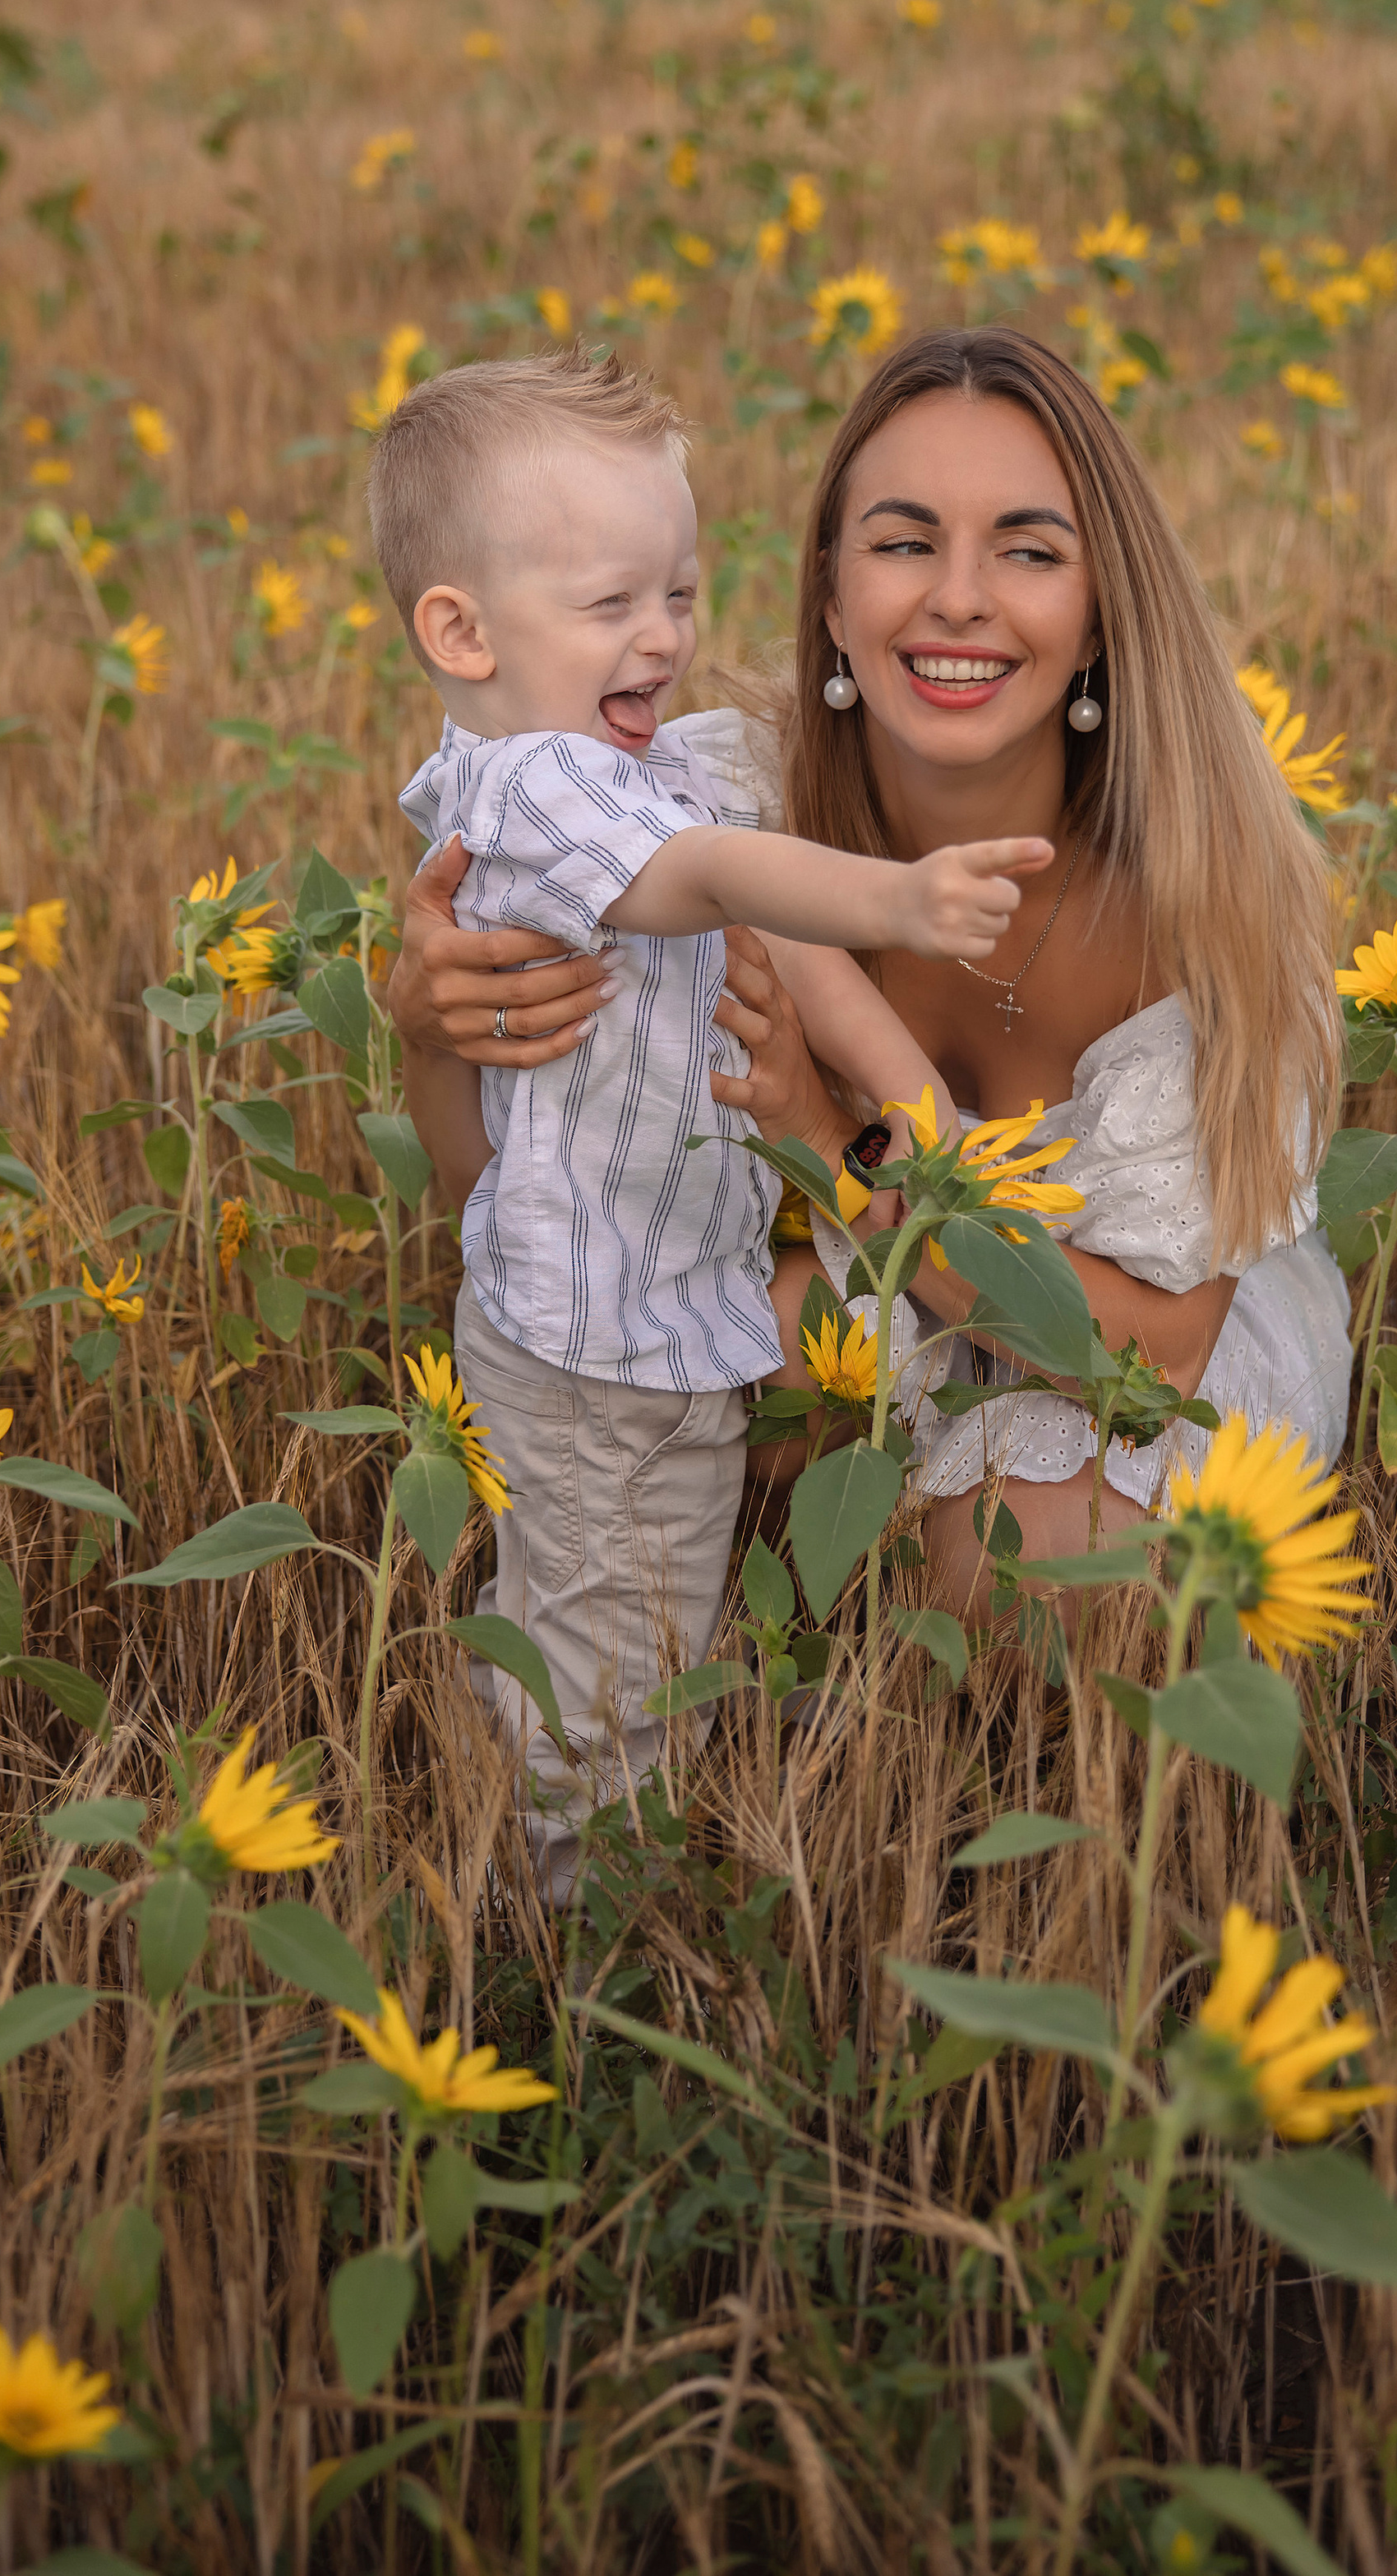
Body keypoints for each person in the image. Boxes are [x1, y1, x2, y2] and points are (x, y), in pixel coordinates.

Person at [389, 324, 1351, 1618]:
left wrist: (822, 1132)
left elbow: (1146, 1354)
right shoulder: (712, 810)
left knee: (1061, 1565)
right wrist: (433, 1027)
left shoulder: (1210, 890)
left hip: (1145, 1351)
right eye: (904, 543)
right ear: (832, 594)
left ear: (1101, 604)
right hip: (865, 1296)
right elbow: (493, 1177)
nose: (958, 597)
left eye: (1027, 548)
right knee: (655, 1379)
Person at [372, 344, 1043, 1883]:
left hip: (664, 1295)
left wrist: (915, 1102)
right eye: (613, 603)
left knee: (634, 1594)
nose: (666, 635)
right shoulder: (532, 786)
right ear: (459, 632)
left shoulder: (660, 771)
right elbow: (720, 885)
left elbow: (788, 949)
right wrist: (905, 895)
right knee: (622, 1640)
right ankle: (577, 1912)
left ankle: (531, 1773)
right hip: (594, 1328)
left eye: (679, 591)